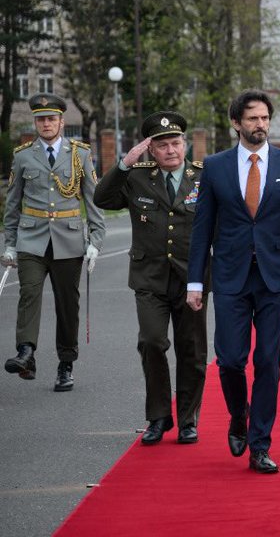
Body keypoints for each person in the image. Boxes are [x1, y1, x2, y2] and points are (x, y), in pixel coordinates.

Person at [186, 90, 280, 474]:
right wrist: (196, 282)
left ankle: (260, 443)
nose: (260, 125)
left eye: (264, 118)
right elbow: (202, 228)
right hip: (229, 276)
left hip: (276, 278)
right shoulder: (215, 167)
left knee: (268, 363)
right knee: (229, 360)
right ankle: (238, 415)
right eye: (253, 119)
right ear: (236, 123)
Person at [94, 111, 208, 445]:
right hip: (149, 278)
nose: (171, 150)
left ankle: (188, 419)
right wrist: (124, 164)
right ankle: (158, 417)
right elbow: (102, 199)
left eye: (176, 143)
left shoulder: (204, 177)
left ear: (185, 144)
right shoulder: (138, 177)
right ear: (151, 150)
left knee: (192, 350)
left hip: (193, 280)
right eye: (163, 146)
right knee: (152, 342)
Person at [3, 93, 104, 391]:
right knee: (29, 295)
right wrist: (10, 243)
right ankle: (26, 352)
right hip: (31, 239)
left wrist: (96, 240)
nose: (45, 124)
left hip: (69, 239)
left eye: (51, 118)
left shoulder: (80, 154)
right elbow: (13, 203)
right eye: (40, 119)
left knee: (67, 304)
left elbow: (93, 199)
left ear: (61, 121)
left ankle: (66, 363)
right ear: (35, 122)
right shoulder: (23, 155)